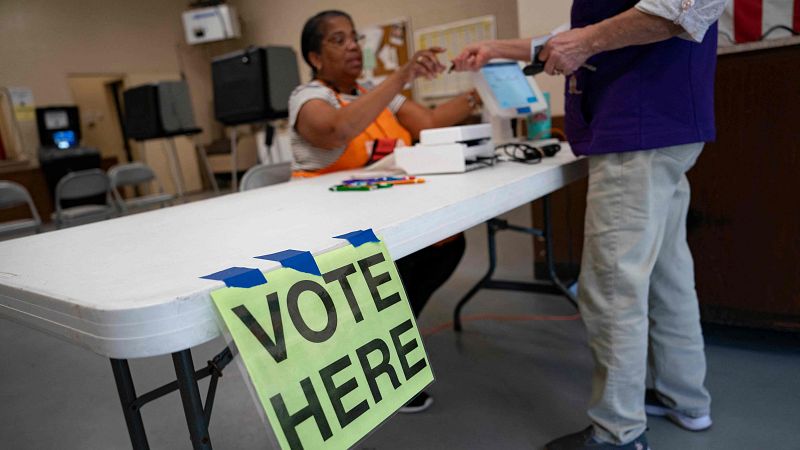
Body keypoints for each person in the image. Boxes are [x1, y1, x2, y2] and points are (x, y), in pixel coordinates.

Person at [453, 1, 727, 449]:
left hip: (637, 127)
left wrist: (583, 43)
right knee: (667, 272)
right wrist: (497, 47)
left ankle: (618, 432)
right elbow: (585, 29)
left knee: (613, 287)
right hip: (666, 127)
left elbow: (677, 7)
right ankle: (686, 398)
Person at [290, 10, 479, 413]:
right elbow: (336, 130)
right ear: (315, 58)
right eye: (338, 40)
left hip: (383, 211)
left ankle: (391, 337)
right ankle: (385, 352)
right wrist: (400, 77)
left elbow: (428, 120)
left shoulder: (376, 91)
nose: (353, 46)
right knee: (399, 262)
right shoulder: (308, 98)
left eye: (354, 37)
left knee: (446, 243)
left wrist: (483, 90)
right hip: (331, 225)